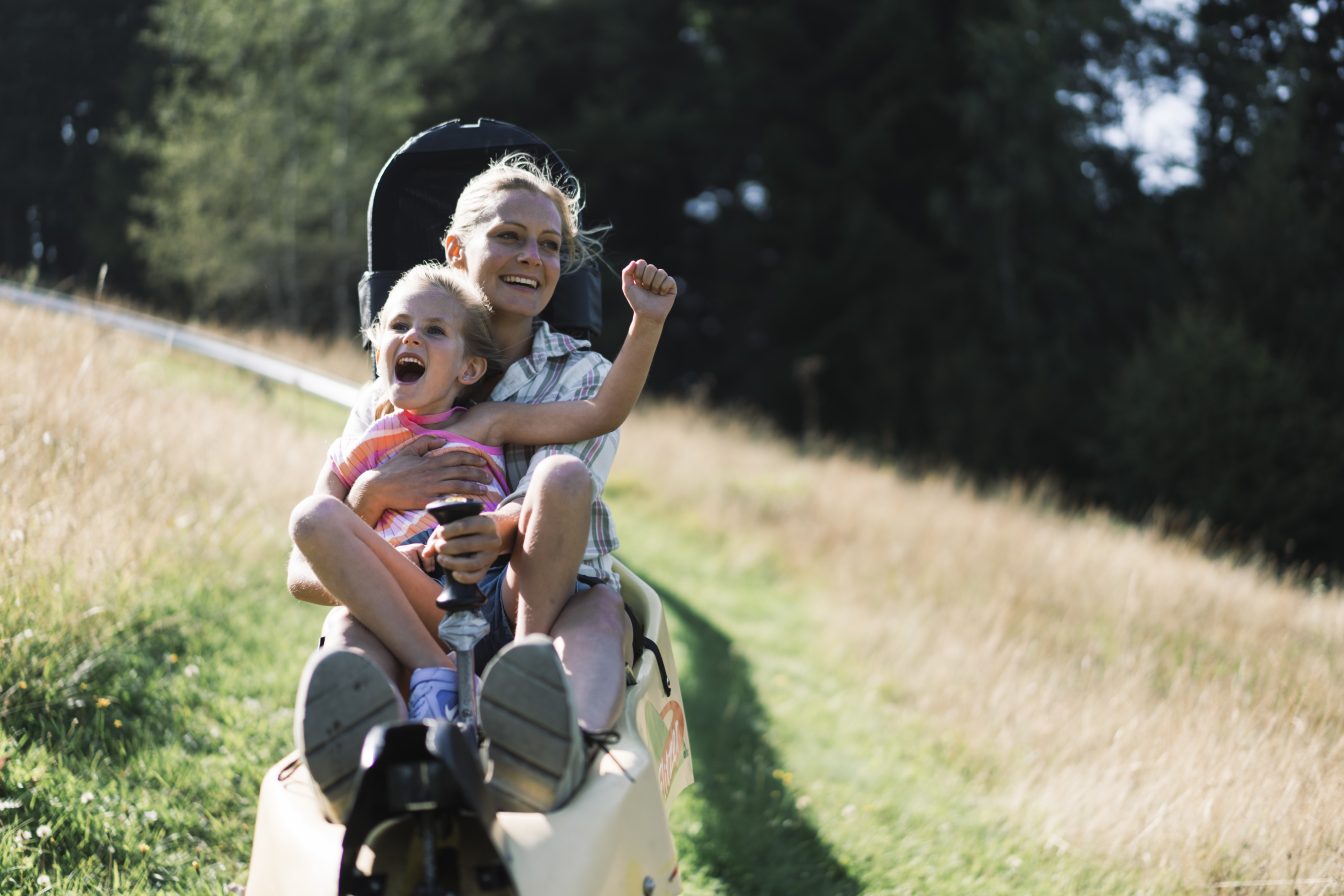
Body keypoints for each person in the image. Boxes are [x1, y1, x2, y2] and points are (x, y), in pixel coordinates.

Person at [286, 153, 668, 818]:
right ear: (456, 249)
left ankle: (538, 734)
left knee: (599, 604)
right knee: (347, 621)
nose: (532, 257)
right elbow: (306, 565)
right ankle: (360, 773)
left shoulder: (577, 377)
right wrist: (375, 494)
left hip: (540, 596)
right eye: (509, 236)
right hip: (420, 595)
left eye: (550, 245)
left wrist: (648, 322)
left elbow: (600, 417)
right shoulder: (382, 403)